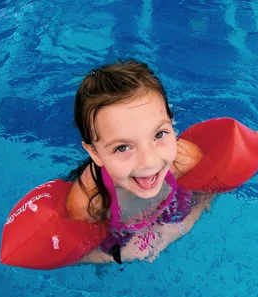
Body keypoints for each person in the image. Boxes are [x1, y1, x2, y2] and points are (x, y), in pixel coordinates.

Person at [65, 59, 213, 264]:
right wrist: (124, 255)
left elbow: (206, 191)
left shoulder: (185, 158)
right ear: (95, 153)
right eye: (122, 147)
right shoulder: (88, 203)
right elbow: (80, 254)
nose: (149, 161)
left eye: (159, 134)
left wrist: (184, 224)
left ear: (171, 123)